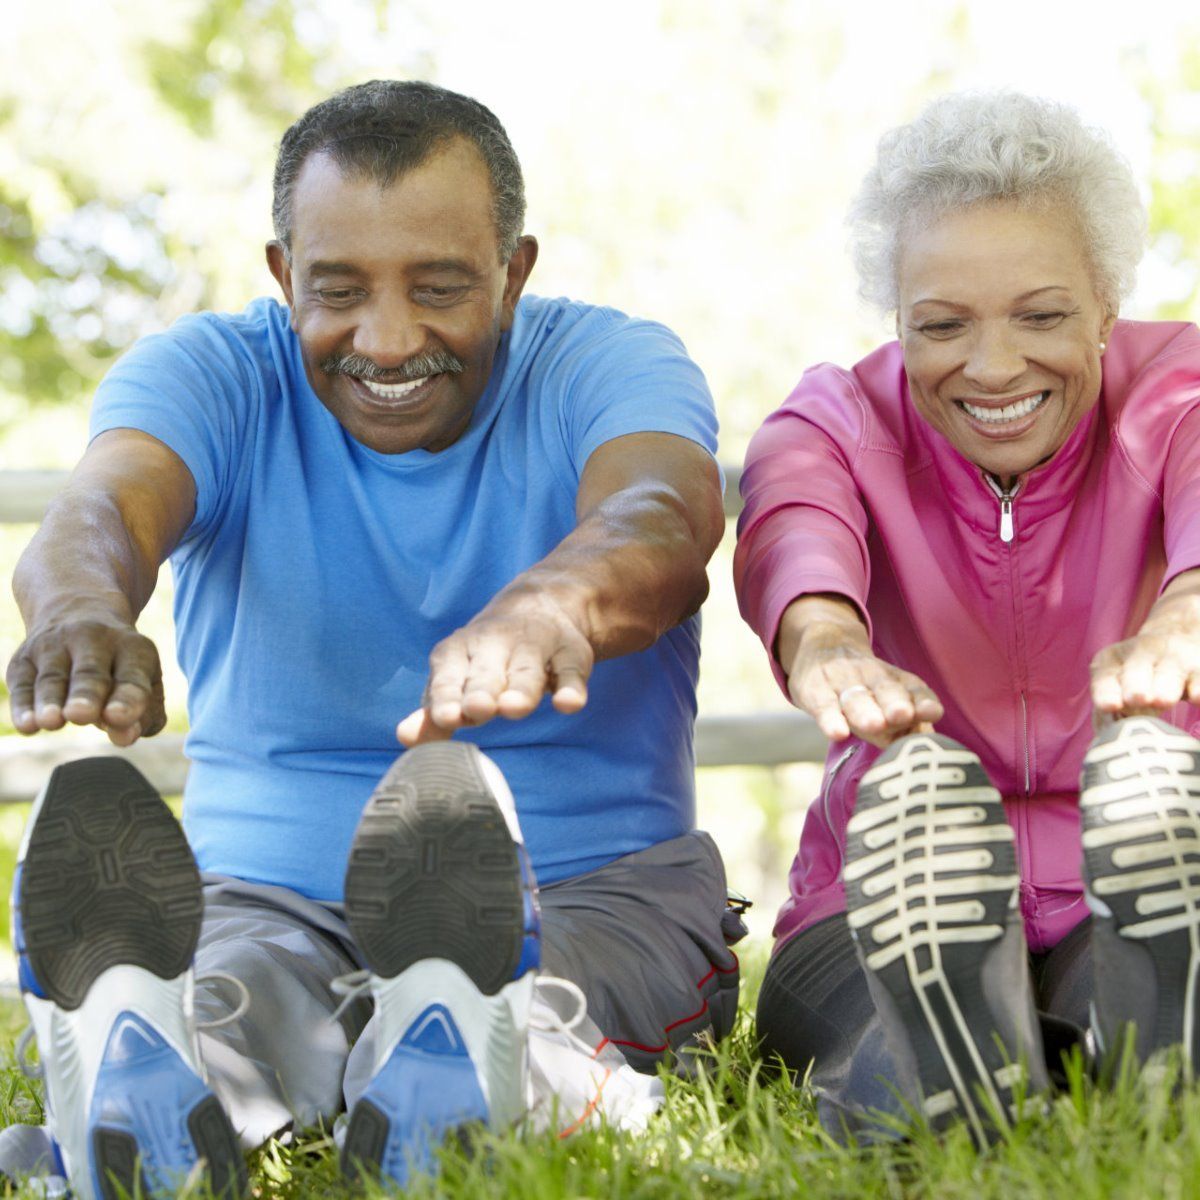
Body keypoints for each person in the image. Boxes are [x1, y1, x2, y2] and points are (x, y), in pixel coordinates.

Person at [4, 80, 740, 1197]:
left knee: (527, 1011)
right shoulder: (215, 373)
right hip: (267, 894)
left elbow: (663, 520)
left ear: (515, 272)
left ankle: (468, 1050)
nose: (388, 340)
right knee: (237, 997)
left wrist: (552, 602)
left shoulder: (610, 362)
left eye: (440, 287)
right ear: (281, 275)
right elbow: (102, 508)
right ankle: (145, 1066)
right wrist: (82, 612)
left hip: (588, 886)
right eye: (338, 291)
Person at [734, 90, 1200, 1147]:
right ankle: (941, 1061)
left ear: (1105, 298)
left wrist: (1186, 610)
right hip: (876, 901)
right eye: (942, 326)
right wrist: (825, 638)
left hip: (1136, 878)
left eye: (1041, 316)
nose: (993, 367)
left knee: (1131, 978)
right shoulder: (838, 418)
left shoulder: (1177, 387)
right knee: (877, 1028)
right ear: (896, 317)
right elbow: (791, 518)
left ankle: (1125, 1028)